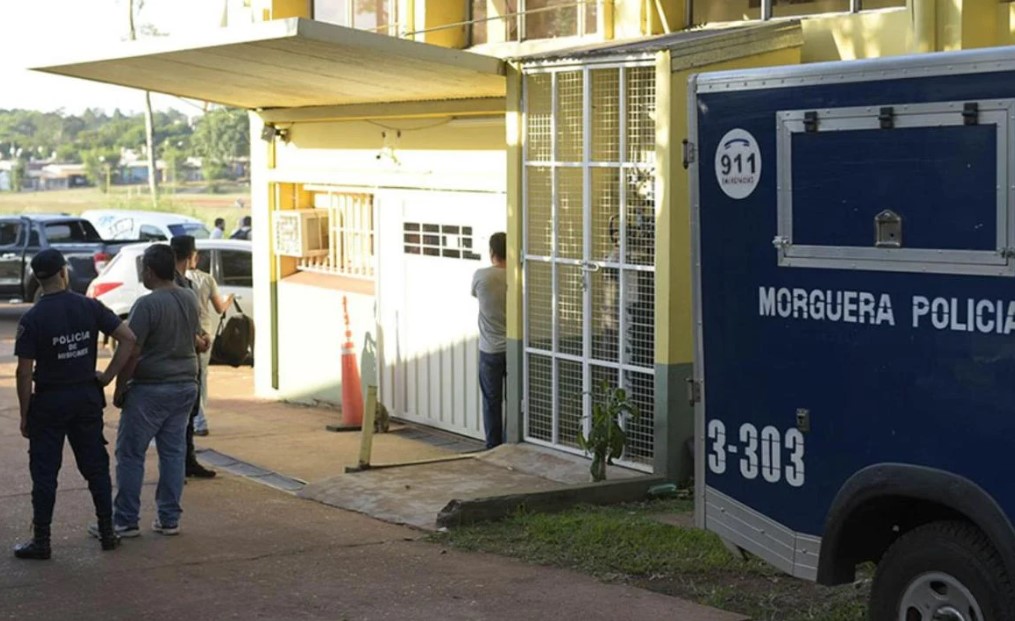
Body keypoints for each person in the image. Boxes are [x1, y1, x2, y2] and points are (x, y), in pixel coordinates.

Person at [13, 249, 137, 559]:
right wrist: (107, 377)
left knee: (44, 474)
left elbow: (24, 371)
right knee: (96, 467)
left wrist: (25, 413)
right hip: (85, 398)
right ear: (64, 273)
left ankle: (42, 540)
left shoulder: (32, 319)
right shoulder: (89, 307)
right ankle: (107, 532)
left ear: (38, 280)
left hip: (49, 401)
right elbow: (129, 338)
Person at [102, 244, 205, 538]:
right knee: (173, 453)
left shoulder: (146, 305)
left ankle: (125, 520)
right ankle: (169, 518)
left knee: (131, 454)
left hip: (151, 388)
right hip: (186, 384)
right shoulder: (189, 297)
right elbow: (194, 338)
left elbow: (131, 349)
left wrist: (117, 384)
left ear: (148, 271)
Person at [170, 236, 217, 478]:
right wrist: (200, 340)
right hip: (185, 359)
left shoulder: (171, 282)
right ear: (191, 256)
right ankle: (180, 465)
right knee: (182, 418)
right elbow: (187, 324)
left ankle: (186, 462)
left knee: (184, 419)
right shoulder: (181, 286)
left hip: (178, 359)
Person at [185, 245, 234, 436]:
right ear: (193, 258)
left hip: (188, 334)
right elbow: (220, 308)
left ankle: (197, 418)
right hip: (205, 332)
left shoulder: (178, 279)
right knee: (201, 377)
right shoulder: (206, 279)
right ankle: (199, 419)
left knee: (191, 377)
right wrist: (229, 300)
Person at [471, 232, 507, 450]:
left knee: (491, 401)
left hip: (489, 349)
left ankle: (493, 446)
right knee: (514, 400)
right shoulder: (517, 275)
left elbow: (475, 295)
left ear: (492, 252)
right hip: (513, 348)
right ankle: (513, 441)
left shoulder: (481, 276)